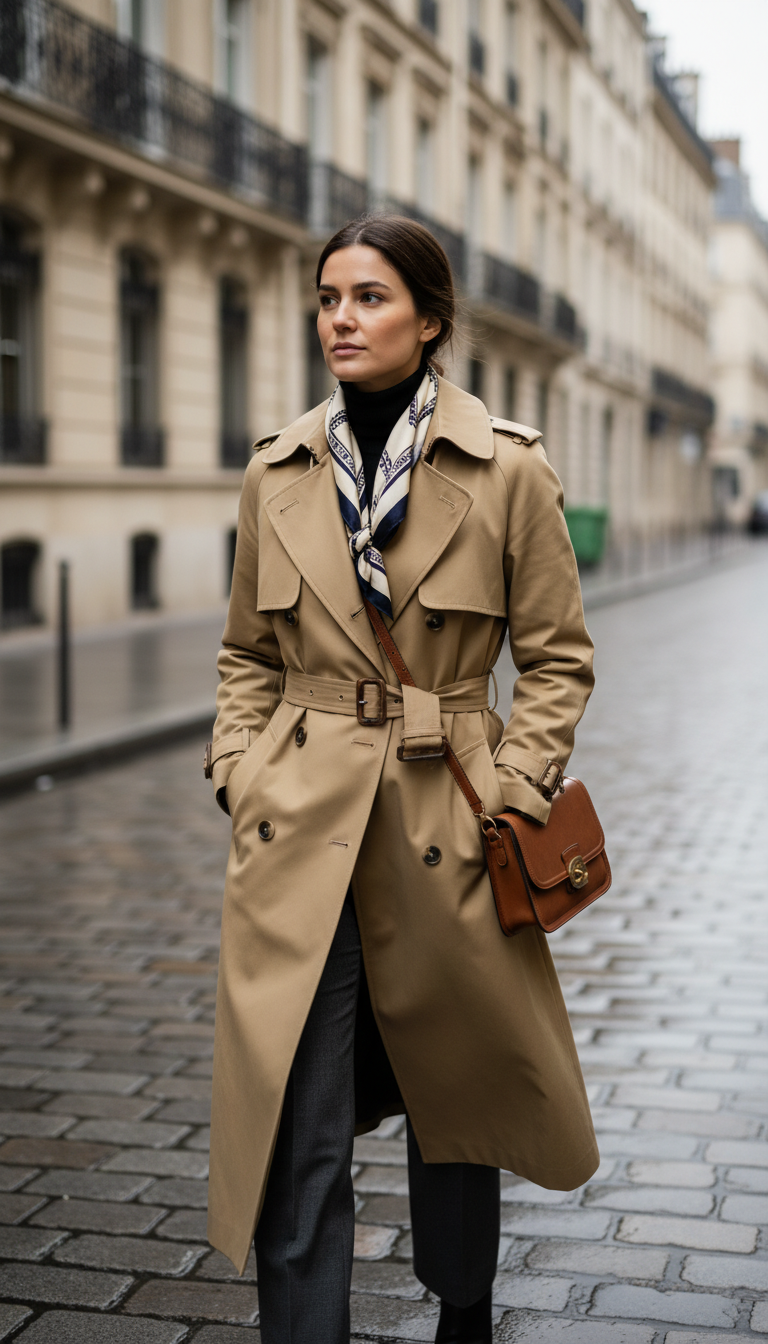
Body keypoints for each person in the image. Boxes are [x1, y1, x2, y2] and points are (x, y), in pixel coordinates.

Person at [205, 215, 599, 1344]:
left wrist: (515, 788)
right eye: (328, 296)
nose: (340, 317)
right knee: (297, 1110)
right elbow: (245, 657)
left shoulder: (508, 469)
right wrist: (240, 771)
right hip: (300, 823)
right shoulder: (276, 472)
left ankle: (463, 1313)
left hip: (452, 814)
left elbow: (559, 657)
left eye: (370, 297)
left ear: (431, 321)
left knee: (455, 1095)